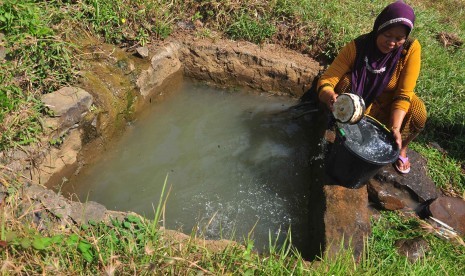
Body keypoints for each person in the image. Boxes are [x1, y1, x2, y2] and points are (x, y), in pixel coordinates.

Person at [317, 0, 427, 174]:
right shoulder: (357, 47)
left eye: (399, 38)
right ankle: (344, 126)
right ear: (379, 28)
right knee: (345, 81)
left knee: (418, 111)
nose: (392, 42)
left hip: (389, 107)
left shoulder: (410, 50)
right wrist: (330, 96)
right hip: (359, 103)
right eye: (387, 35)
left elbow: (403, 94)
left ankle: (402, 146)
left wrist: (396, 127)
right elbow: (326, 80)